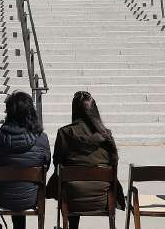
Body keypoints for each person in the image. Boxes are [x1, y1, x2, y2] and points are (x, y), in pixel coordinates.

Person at [51, 91, 120, 229]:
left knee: (69, 183)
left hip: (72, 198)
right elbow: (114, 163)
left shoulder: (64, 133)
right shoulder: (106, 135)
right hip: (102, 198)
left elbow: (56, 161)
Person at [0, 91, 51, 229]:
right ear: (30, 112)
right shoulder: (41, 137)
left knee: (12, 184)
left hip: (3, 197)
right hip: (31, 197)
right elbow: (47, 164)